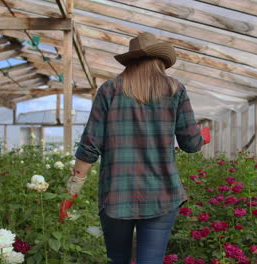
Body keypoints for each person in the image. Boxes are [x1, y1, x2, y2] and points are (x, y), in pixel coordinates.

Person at [65, 32, 210, 264]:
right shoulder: (175, 90)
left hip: (116, 194)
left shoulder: (109, 90)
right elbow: (191, 144)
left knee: (117, 258)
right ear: (160, 62)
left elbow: (89, 146)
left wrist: (71, 191)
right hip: (162, 193)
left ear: (130, 61)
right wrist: (203, 136)